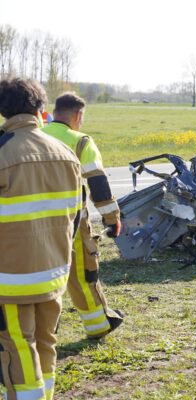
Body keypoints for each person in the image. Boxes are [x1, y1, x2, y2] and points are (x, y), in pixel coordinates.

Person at [0, 78, 82, 400]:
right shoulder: (66, 152)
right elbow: (76, 217)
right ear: (40, 108)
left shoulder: (3, 151)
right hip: (54, 272)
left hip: (11, 279)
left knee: (18, 346)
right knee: (47, 342)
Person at [42, 92, 124, 340]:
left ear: (54, 113)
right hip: (73, 221)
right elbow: (98, 184)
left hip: (32, 221)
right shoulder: (81, 142)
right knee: (83, 273)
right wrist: (112, 219)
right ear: (78, 115)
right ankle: (98, 324)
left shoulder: (35, 136)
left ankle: (45, 329)